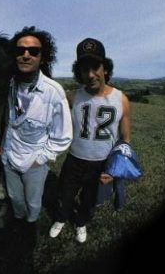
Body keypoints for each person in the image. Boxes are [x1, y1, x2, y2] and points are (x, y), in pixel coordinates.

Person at [48, 37, 131, 243]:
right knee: (65, 195)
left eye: (95, 67)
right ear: (79, 72)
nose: (91, 74)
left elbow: (126, 139)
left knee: (89, 200)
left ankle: (81, 223)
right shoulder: (73, 96)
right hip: (74, 159)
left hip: (100, 163)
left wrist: (115, 169)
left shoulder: (121, 99)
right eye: (84, 69)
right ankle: (61, 218)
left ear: (105, 68)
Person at [0, 26, 73, 232]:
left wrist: (39, 160)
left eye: (33, 51)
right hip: (8, 157)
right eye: (20, 50)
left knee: (33, 201)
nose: (26, 55)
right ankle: (18, 220)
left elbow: (63, 137)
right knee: (15, 197)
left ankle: (30, 225)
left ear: (42, 57)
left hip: (34, 162)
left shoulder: (53, 92)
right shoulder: (7, 85)